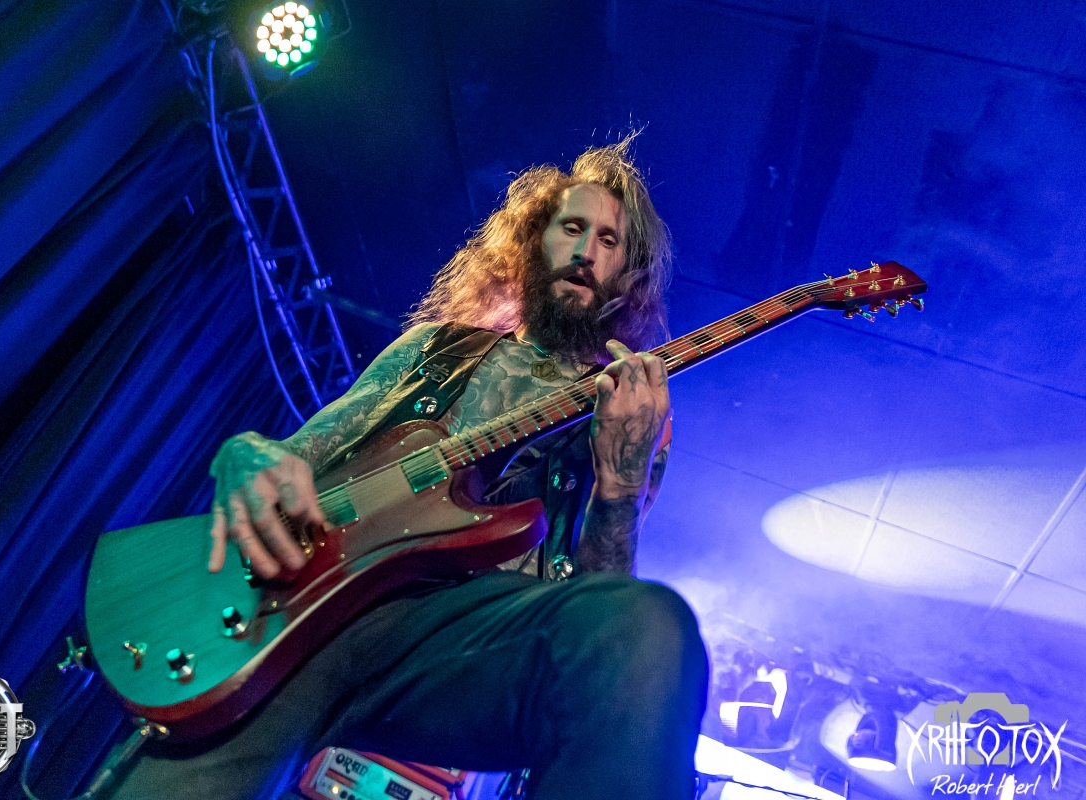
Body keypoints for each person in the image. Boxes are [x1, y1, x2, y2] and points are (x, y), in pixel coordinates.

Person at [109, 136, 709, 800]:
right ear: (533, 241)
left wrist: (620, 484)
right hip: (313, 609)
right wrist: (246, 452)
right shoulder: (436, 348)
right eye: (572, 227)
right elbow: (298, 456)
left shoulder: (631, 412)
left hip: (459, 643)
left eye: (608, 240)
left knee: (645, 626)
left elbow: (601, 612)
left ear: (628, 275)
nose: (586, 250)